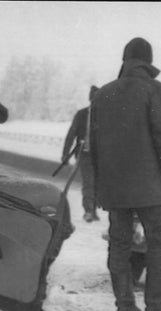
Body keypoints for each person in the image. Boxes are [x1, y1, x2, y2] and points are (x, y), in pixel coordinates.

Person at [90, 37, 161, 311]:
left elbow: (93, 145)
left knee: (119, 244)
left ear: (125, 60)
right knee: (158, 242)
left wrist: (99, 185)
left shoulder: (102, 94)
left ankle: (124, 305)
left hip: (115, 187)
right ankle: (156, 307)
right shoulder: (153, 89)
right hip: (149, 187)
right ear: (148, 60)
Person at [62, 85, 100, 222]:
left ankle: (94, 208)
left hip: (101, 156)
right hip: (85, 154)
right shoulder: (82, 114)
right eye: (94, 99)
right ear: (90, 99)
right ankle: (89, 210)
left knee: (98, 183)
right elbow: (71, 134)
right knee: (89, 182)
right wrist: (65, 153)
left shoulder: (106, 115)